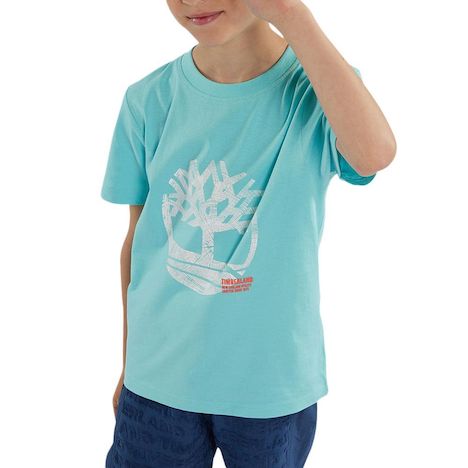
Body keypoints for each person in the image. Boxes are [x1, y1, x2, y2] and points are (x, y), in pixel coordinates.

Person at [101, 1, 396, 467]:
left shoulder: (319, 88)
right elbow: (139, 244)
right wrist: (128, 363)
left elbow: (374, 154)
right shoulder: (148, 99)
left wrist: (290, 14)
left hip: (271, 385)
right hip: (159, 379)